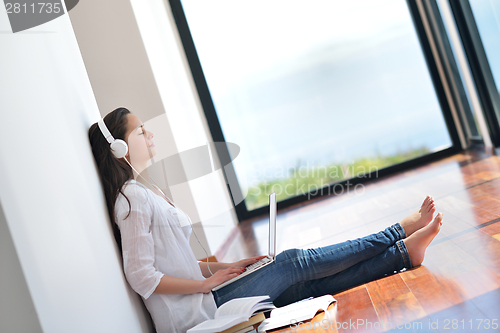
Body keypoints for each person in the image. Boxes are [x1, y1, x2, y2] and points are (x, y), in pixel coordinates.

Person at [88, 107, 443, 333]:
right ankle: (398, 232)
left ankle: (402, 255)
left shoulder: (142, 192)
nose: (150, 136)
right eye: (140, 132)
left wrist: (228, 266)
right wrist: (204, 286)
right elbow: (140, 275)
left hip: (205, 298)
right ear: (119, 149)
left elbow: (177, 262)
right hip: (197, 314)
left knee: (299, 288)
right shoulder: (130, 200)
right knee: (293, 262)